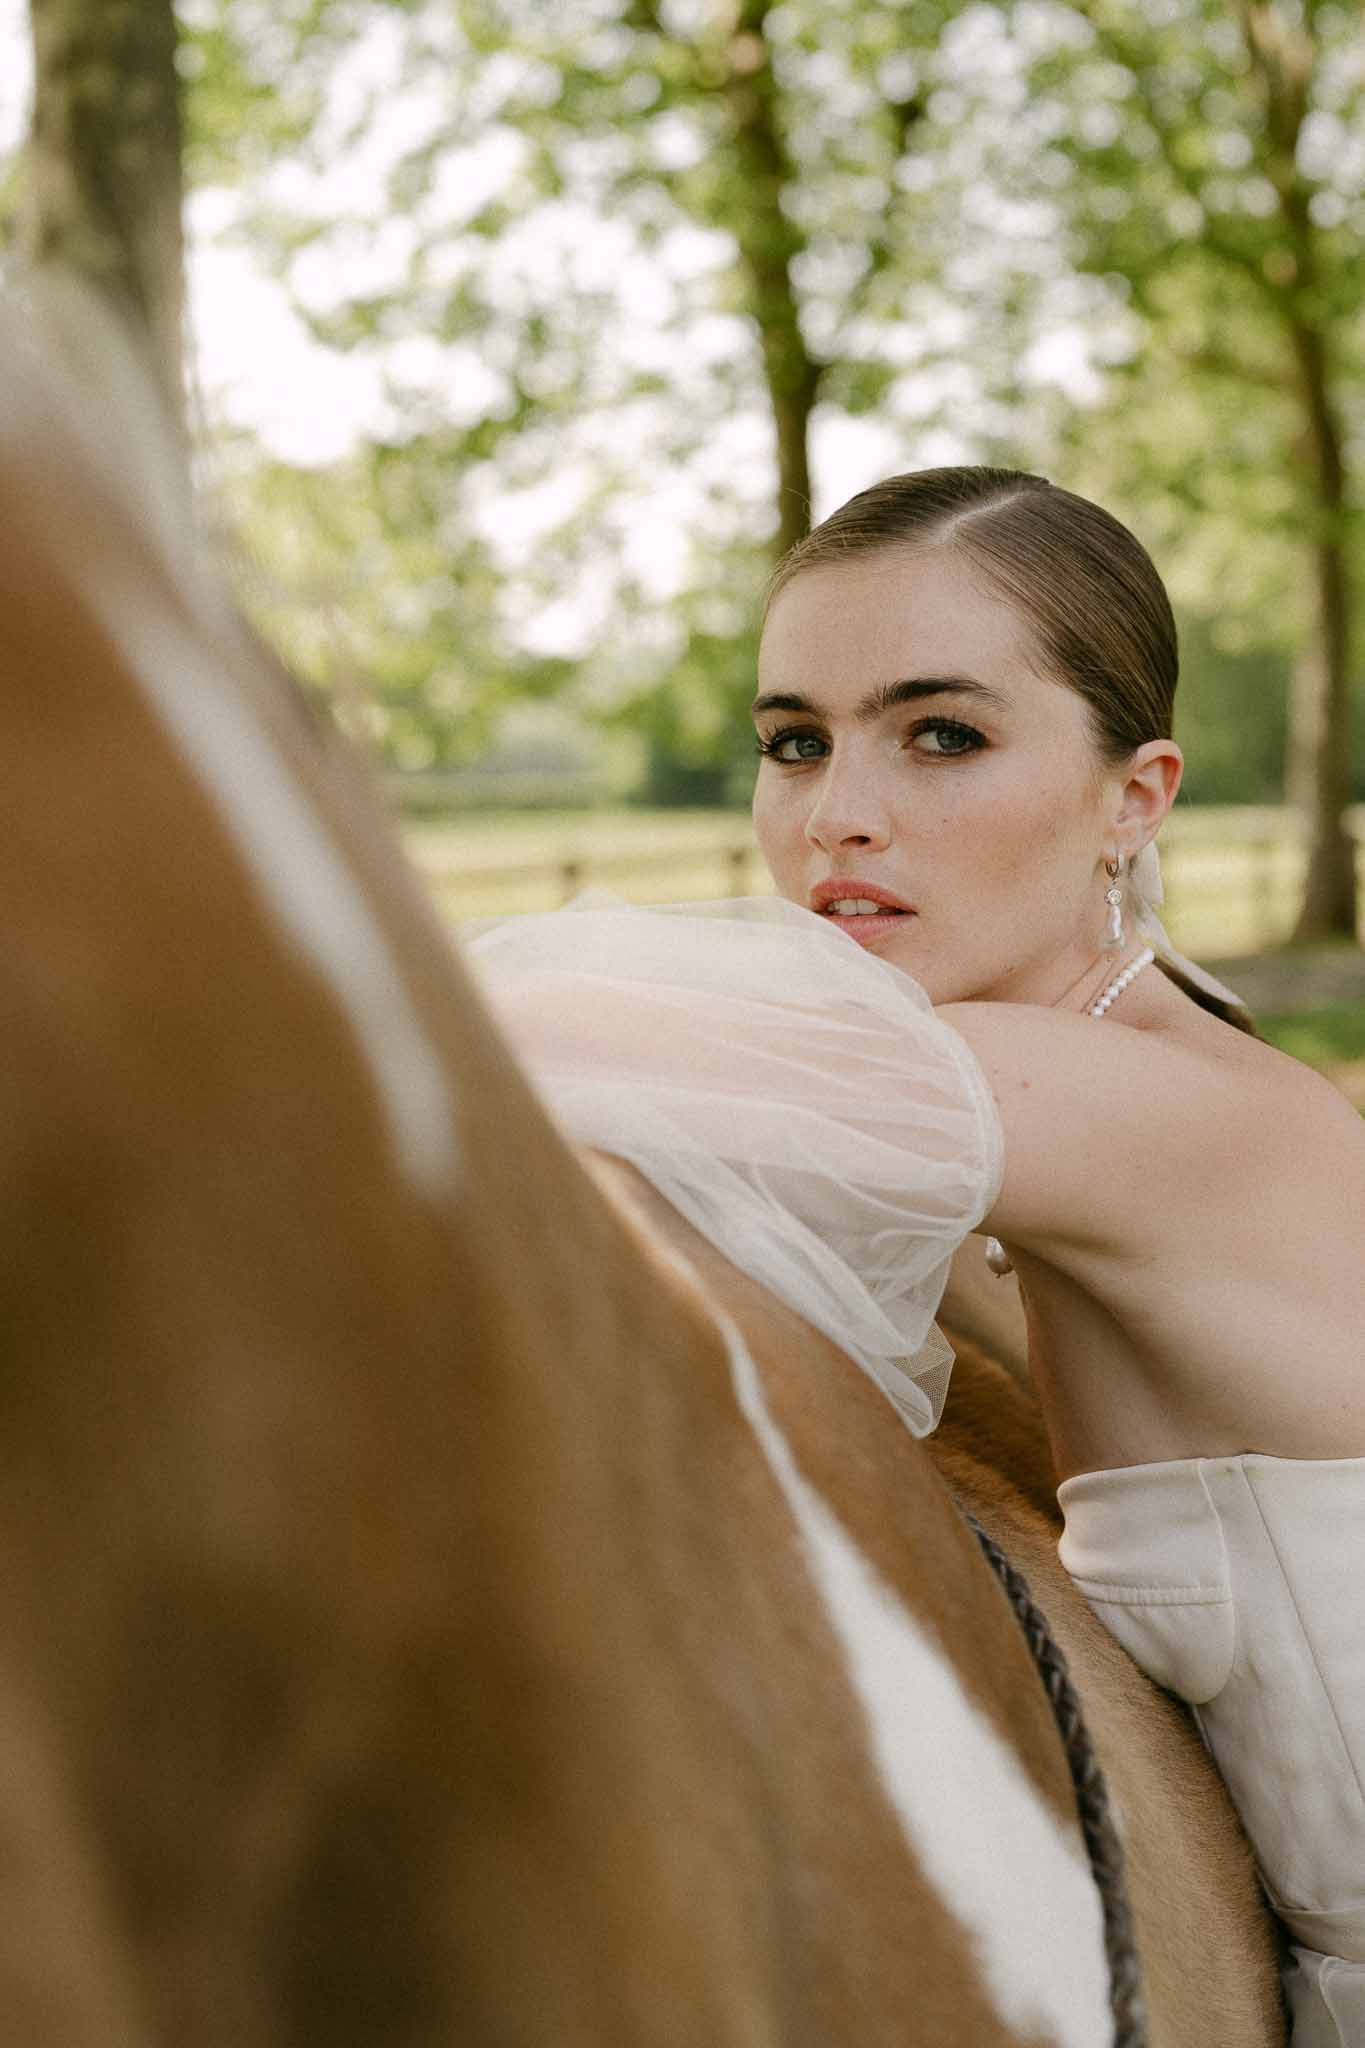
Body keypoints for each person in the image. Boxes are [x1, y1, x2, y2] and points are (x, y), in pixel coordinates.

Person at [470, 468, 1365, 2046]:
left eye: (939, 734)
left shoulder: (1143, 1114)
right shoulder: (1049, 1106)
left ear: (1135, 797)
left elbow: (478, 1053)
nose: (836, 814)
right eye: (794, 740)